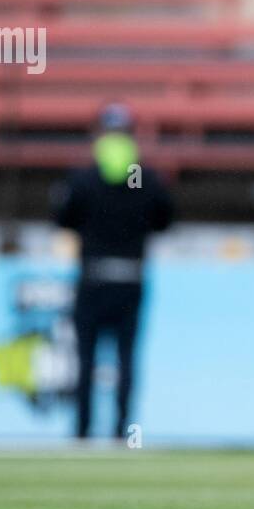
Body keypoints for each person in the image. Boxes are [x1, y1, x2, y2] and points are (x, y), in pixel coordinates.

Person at [50, 103, 174, 439]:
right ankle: (122, 431)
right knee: (125, 360)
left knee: (86, 359)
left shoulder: (83, 178)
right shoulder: (145, 179)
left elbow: (62, 218)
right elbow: (164, 220)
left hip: (93, 278)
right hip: (130, 278)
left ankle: (83, 431)